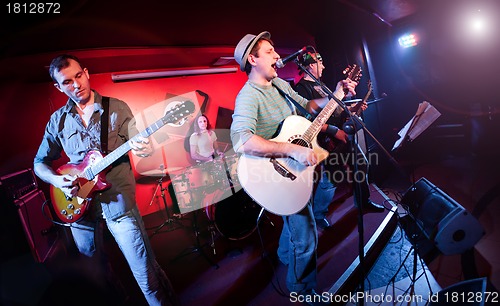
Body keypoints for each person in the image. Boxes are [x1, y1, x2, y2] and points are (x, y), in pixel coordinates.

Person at [33, 54, 178, 306]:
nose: (76, 85)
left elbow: (139, 144)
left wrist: (143, 147)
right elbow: (39, 164)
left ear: (86, 73)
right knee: (97, 273)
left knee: (145, 272)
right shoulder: (58, 121)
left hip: (118, 203)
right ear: (58, 87)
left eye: (79, 76)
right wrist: (57, 181)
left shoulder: (117, 107)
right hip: (79, 209)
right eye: (67, 82)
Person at [230, 31, 358, 300]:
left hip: (294, 171)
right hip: (274, 175)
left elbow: (309, 106)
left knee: (298, 218)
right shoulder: (248, 96)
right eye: (269, 52)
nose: (277, 56)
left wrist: (337, 93)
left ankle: (285, 255)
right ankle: (302, 290)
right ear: (252, 59)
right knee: (308, 236)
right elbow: (242, 142)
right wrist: (291, 149)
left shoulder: (280, 85)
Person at [294, 52, 384, 230]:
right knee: (332, 178)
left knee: (362, 165)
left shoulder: (323, 86)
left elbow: (335, 109)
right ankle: (318, 215)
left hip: (344, 136)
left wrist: (352, 107)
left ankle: (363, 202)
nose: (324, 66)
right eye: (321, 62)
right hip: (327, 142)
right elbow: (306, 119)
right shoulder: (301, 88)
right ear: (311, 65)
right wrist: (335, 132)